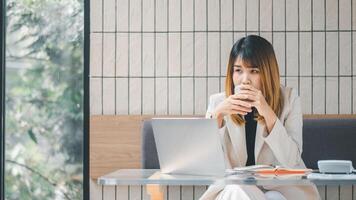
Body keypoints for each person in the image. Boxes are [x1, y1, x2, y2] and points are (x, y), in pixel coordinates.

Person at [200, 35, 320, 200]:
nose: (245, 80)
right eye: (238, 70)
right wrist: (218, 117)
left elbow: (292, 161)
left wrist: (267, 112)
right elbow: (206, 164)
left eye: (254, 71)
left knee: (273, 197)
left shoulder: (289, 99)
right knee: (236, 190)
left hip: (282, 188)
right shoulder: (218, 103)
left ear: (268, 72)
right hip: (235, 189)